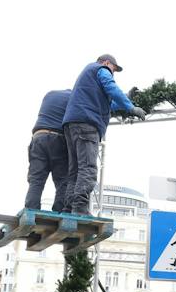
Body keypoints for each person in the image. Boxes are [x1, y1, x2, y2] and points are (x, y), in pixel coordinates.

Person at [60, 54, 146, 216]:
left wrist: (125, 98)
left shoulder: (88, 78)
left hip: (72, 125)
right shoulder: (101, 69)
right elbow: (111, 87)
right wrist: (131, 107)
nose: (113, 73)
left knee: (75, 170)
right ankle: (79, 209)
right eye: (114, 69)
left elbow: (106, 105)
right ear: (107, 63)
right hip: (87, 124)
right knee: (88, 169)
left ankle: (69, 207)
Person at [25, 88, 73, 212]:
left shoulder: (49, 94)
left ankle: (31, 211)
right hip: (58, 138)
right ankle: (59, 212)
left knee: (36, 180)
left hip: (38, 137)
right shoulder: (74, 97)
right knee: (63, 181)